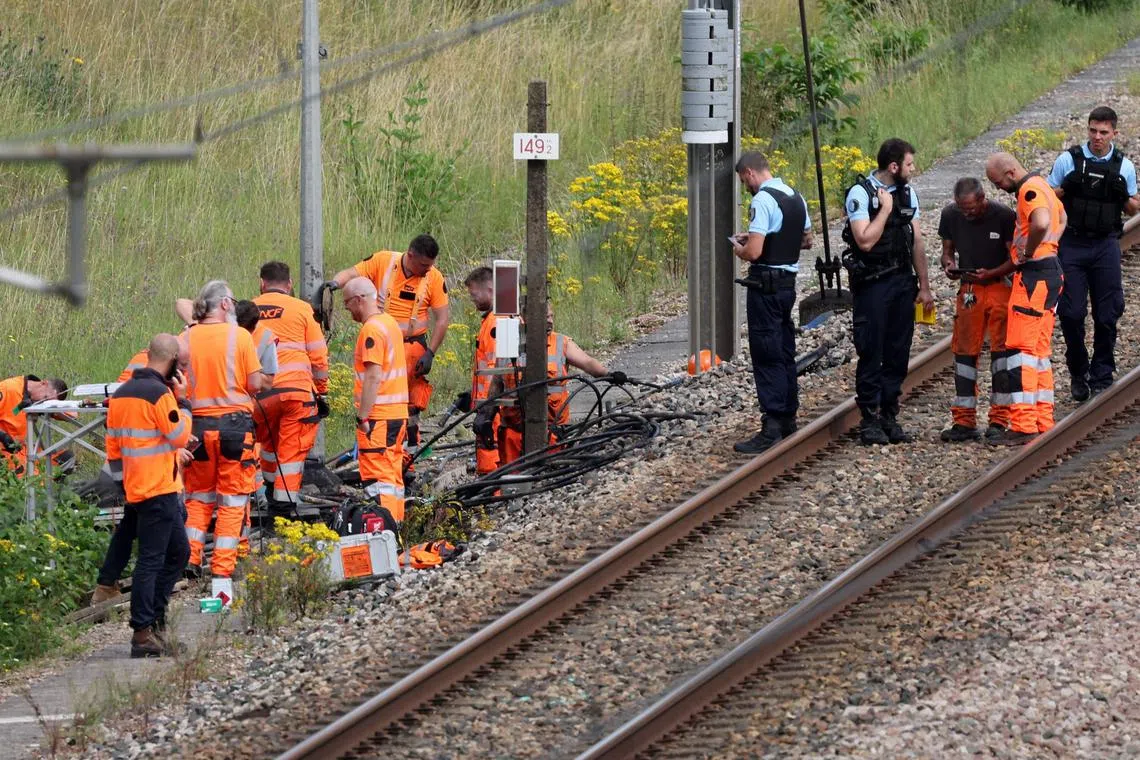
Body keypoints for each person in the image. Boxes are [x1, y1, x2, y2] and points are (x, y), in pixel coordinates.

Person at [103, 334, 193, 657]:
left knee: (179, 553)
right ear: (170, 362)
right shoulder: (161, 395)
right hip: (158, 490)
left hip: (139, 489)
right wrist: (183, 402)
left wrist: (123, 485)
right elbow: (179, 436)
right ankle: (143, 634)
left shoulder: (121, 394)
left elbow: (112, 447)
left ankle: (154, 621)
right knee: (152, 561)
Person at [326, 234, 450, 469]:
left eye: (431, 265)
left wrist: (431, 352)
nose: (427, 270)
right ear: (410, 255)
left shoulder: (433, 277)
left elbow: (442, 319)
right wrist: (333, 285)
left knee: (412, 406)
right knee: (381, 400)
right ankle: (380, 448)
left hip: (413, 348)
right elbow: (352, 274)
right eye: (424, 265)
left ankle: (408, 459)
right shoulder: (384, 261)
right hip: (384, 344)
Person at [842, 138, 934, 445]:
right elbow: (865, 240)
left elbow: (917, 241)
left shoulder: (908, 192)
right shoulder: (861, 194)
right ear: (893, 167)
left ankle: (889, 415)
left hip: (901, 281)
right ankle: (869, 418)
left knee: (898, 351)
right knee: (872, 350)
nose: (913, 169)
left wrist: (924, 285)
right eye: (909, 164)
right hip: (873, 284)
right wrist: (884, 211)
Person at [1046, 106, 1140, 400]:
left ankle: (1102, 371)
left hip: (1105, 244)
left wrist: (1122, 194)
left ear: (1114, 133)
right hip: (1072, 243)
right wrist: (1066, 188)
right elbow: (1046, 199)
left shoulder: (1123, 166)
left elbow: (1133, 207)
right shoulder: (1068, 160)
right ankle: (1078, 370)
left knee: (1108, 312)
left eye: (1103, 132)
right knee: (1072, 313)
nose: (1097, 137)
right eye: (1092, 131)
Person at [181, 281, 267, 595]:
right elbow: (255, 383)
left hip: (198, 429)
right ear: (226, 304)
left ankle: (188, 559)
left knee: (199, 497)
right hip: (235, 428)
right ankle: (222, 569)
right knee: (232, 501)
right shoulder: (240, 336)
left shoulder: (185, 338)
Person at [730, 151, 813, 454]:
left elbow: (754, 253)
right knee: (784, 347)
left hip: (765, 287)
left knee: (766, 352)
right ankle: (789, 415)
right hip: (787, 286)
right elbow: (806, 240)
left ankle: (773, 422)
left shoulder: (762, 200)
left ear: (750, 173)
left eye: (744, 181)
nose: (745, 186)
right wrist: (759, 237)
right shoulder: (795, 196)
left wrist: (740, 247)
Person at [985, 152, 1066, 444]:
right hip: (1051, 272)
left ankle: (1022, 424)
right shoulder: (1043, 185)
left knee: (1021, 352)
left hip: (1033, 276)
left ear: (1009, 172)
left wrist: (1030, 252)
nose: (997, 189)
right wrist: (1050, 245)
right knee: (1039, 353)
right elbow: (1062, 216)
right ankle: (1043, 418)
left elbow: (1042, 222)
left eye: (997, 182)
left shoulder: (1028, 191)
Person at [484, 300, 624, 466]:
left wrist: (609, 374)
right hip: (513, 434)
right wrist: (486, 414)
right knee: (513, 481)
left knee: (550, 476)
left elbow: (587, 363)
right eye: (545, 316)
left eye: (551, 316)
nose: (550, 320)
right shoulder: (509, 341)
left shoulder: (561, 343)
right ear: (525, 318)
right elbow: (498, 382)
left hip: (551, 431)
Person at [937, 177, 1017, 442]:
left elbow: (1015, 259)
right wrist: (949, 264)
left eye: (971, 208)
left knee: (1002, 354)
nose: (967, 213)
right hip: (970, 288)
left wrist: (991, 272)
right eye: (962, 208)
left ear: (983, 199)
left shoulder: (1004, 216)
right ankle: (964, 420)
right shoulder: (950, 215)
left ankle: (999, 419)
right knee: (963, 353)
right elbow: (947, 251)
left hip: (998, 287)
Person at [252, 261, 330, 513]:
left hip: (260, 395)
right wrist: (321, 391)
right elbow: (318, 356)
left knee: (267, 445)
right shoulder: (302, 309)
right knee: (291, 450)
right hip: (296, 393)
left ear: (262, 283)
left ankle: (268, 490)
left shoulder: (248, 310)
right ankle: (283, 506)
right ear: (289, 284)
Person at [343, 276, 409, 528]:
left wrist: (363, 416)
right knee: (392, 478)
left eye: (347, 303)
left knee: (378, 478)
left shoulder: (371, 329)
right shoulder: (389, 323)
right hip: (397, 414)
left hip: (379, 416)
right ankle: (397, 527)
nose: (347, 309)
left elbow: (373, 375)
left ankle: (383, 532)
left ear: (359, 300)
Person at [464, 266, 501, 474]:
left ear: (489, 289)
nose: (473, 300)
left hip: (494, 409)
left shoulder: (496, 322)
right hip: (489, 405)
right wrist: (472, 398)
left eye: (474, 295)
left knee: (492, 461)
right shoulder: (490, 321)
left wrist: (488, 409)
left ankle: (493, 498)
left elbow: (500, 370)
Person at [0, 374, 69, 473]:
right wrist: (2, 436)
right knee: (27, 474)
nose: (43, 402)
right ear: (44, 383)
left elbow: (72, 414)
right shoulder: (9, 389)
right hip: (4, 448)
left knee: (64, 459)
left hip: (19, 448)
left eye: (47, 402)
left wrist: (50, 407)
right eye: (45, 398)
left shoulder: (33, 400)